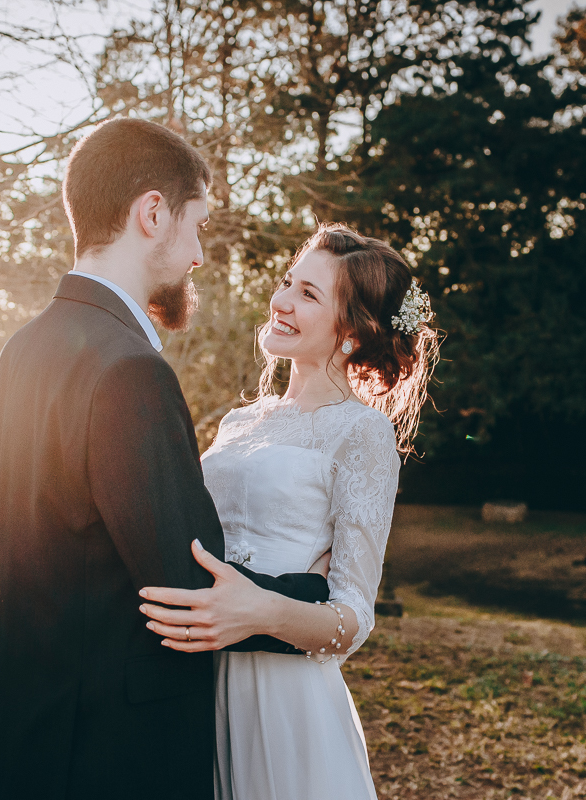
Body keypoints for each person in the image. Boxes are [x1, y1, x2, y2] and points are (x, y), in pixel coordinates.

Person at [0, 118, 331, 800]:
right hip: (115, 753)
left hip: (30, 737)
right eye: (196, 226)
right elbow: (189, 589)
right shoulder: (130, 369)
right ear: (152, 213)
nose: (198, 255)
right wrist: (315, 596)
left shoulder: (23, 348)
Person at [139, 223, 439, 799]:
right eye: (287, 282)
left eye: (309, 294)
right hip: (200, 677)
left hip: (283, 694)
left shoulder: (361, 432)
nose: (281, 301)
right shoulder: (239, 422)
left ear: (350, 331)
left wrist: (262, 611)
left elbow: (353, 619)